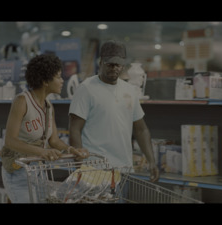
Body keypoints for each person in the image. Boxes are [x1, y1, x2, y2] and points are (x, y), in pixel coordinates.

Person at [1, 54, 89, 203]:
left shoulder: (48, 106)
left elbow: (54, 140)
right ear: (45, 81)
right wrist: (43, 151)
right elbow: (10, 140)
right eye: (58, 77)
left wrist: (70, 150)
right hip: (17, 171)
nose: (62, 81)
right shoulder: (22, 101)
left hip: (38, 171)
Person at [68, 40, 159, 182]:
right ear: (101, 63)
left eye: (118, 64)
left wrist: (151, 161)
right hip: (94, 169)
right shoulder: (86, 89)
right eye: (109, 64)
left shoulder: (129, 90)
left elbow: (141, 130)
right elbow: (74, 129)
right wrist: (80, 166)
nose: (114, 68)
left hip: (123, 169)